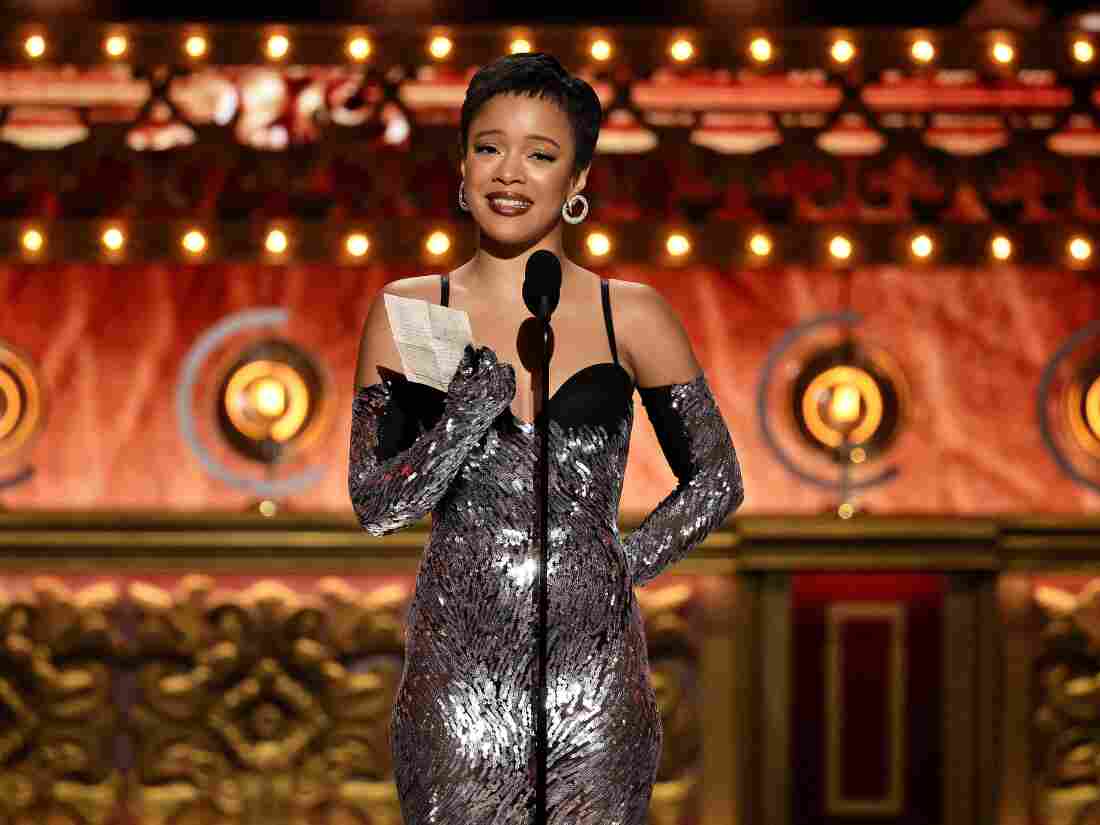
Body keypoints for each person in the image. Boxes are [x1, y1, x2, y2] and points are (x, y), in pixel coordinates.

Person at [348, 52, 744, 825]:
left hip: (591, 683)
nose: (510, 172)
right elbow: (376, 503)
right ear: (462, 164)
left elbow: (718, 479)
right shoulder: (418, 310)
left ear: (577, 180)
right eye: (490, 146)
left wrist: (614, 565)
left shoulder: (627, 313)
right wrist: (463, 416)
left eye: (540, 153)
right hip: (458, 681)